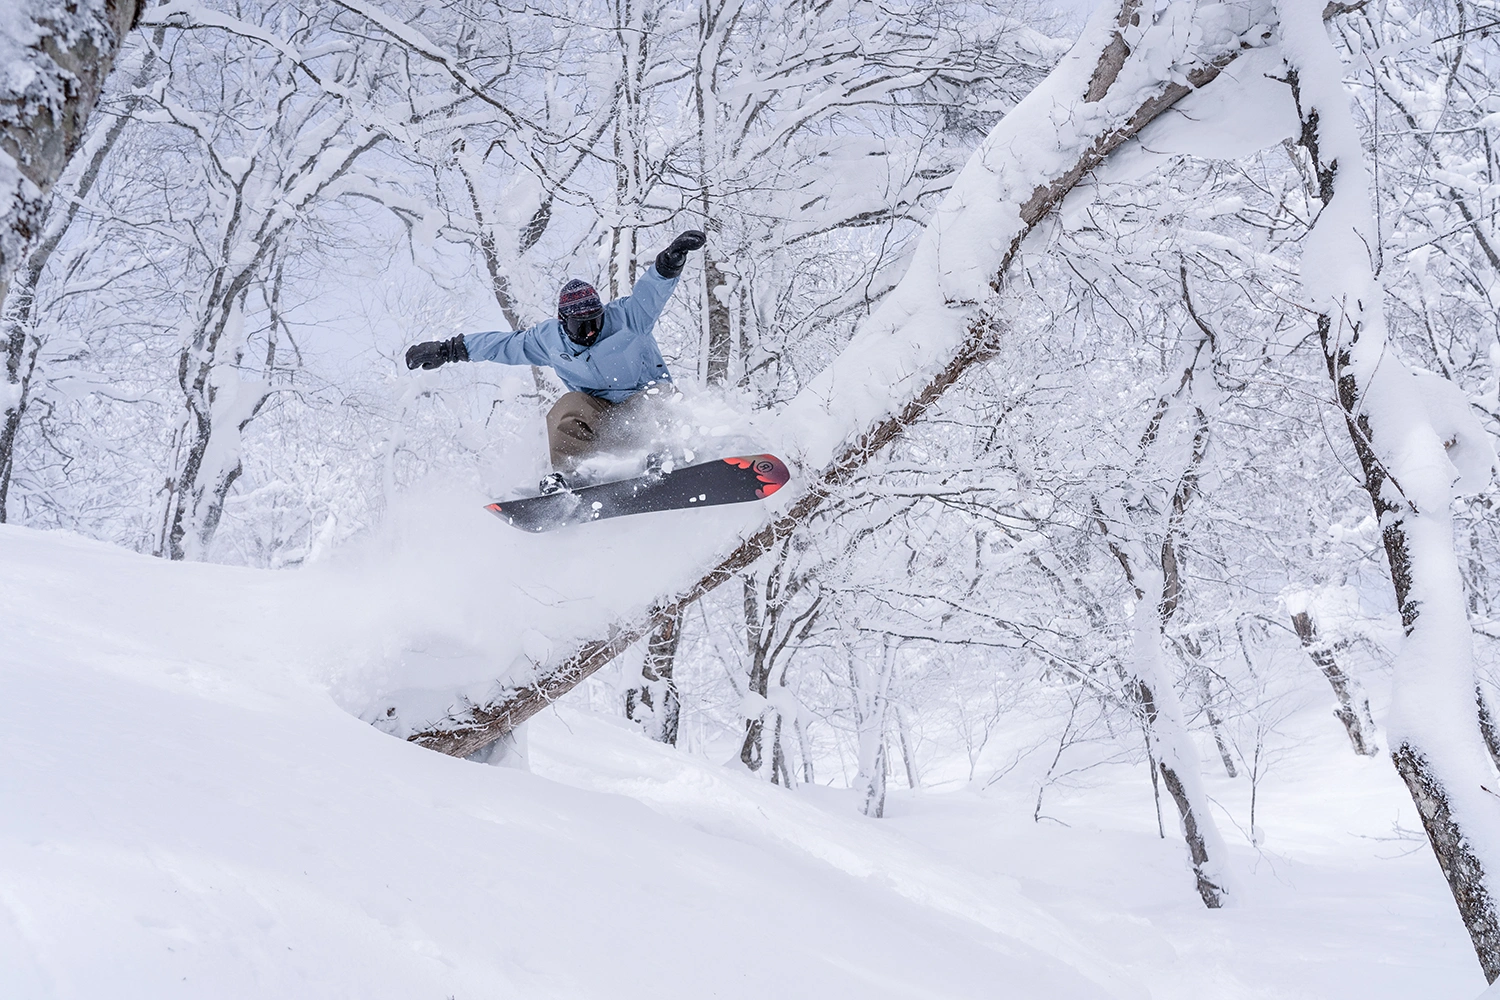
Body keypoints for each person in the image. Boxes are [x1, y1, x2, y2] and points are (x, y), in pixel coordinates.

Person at [405, 230, 706, 493]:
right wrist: (449, 350)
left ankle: (669, 454)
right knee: (567, 406)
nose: (590, 331)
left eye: (595, 321)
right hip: (603, 420)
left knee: (658, 398)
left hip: (646, 412)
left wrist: (671, 259)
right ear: (563, 322)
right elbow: (502, 345)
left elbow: (652, 290)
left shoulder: (630, 317)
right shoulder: (548, 340)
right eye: (580, 326)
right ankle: (573, 475)